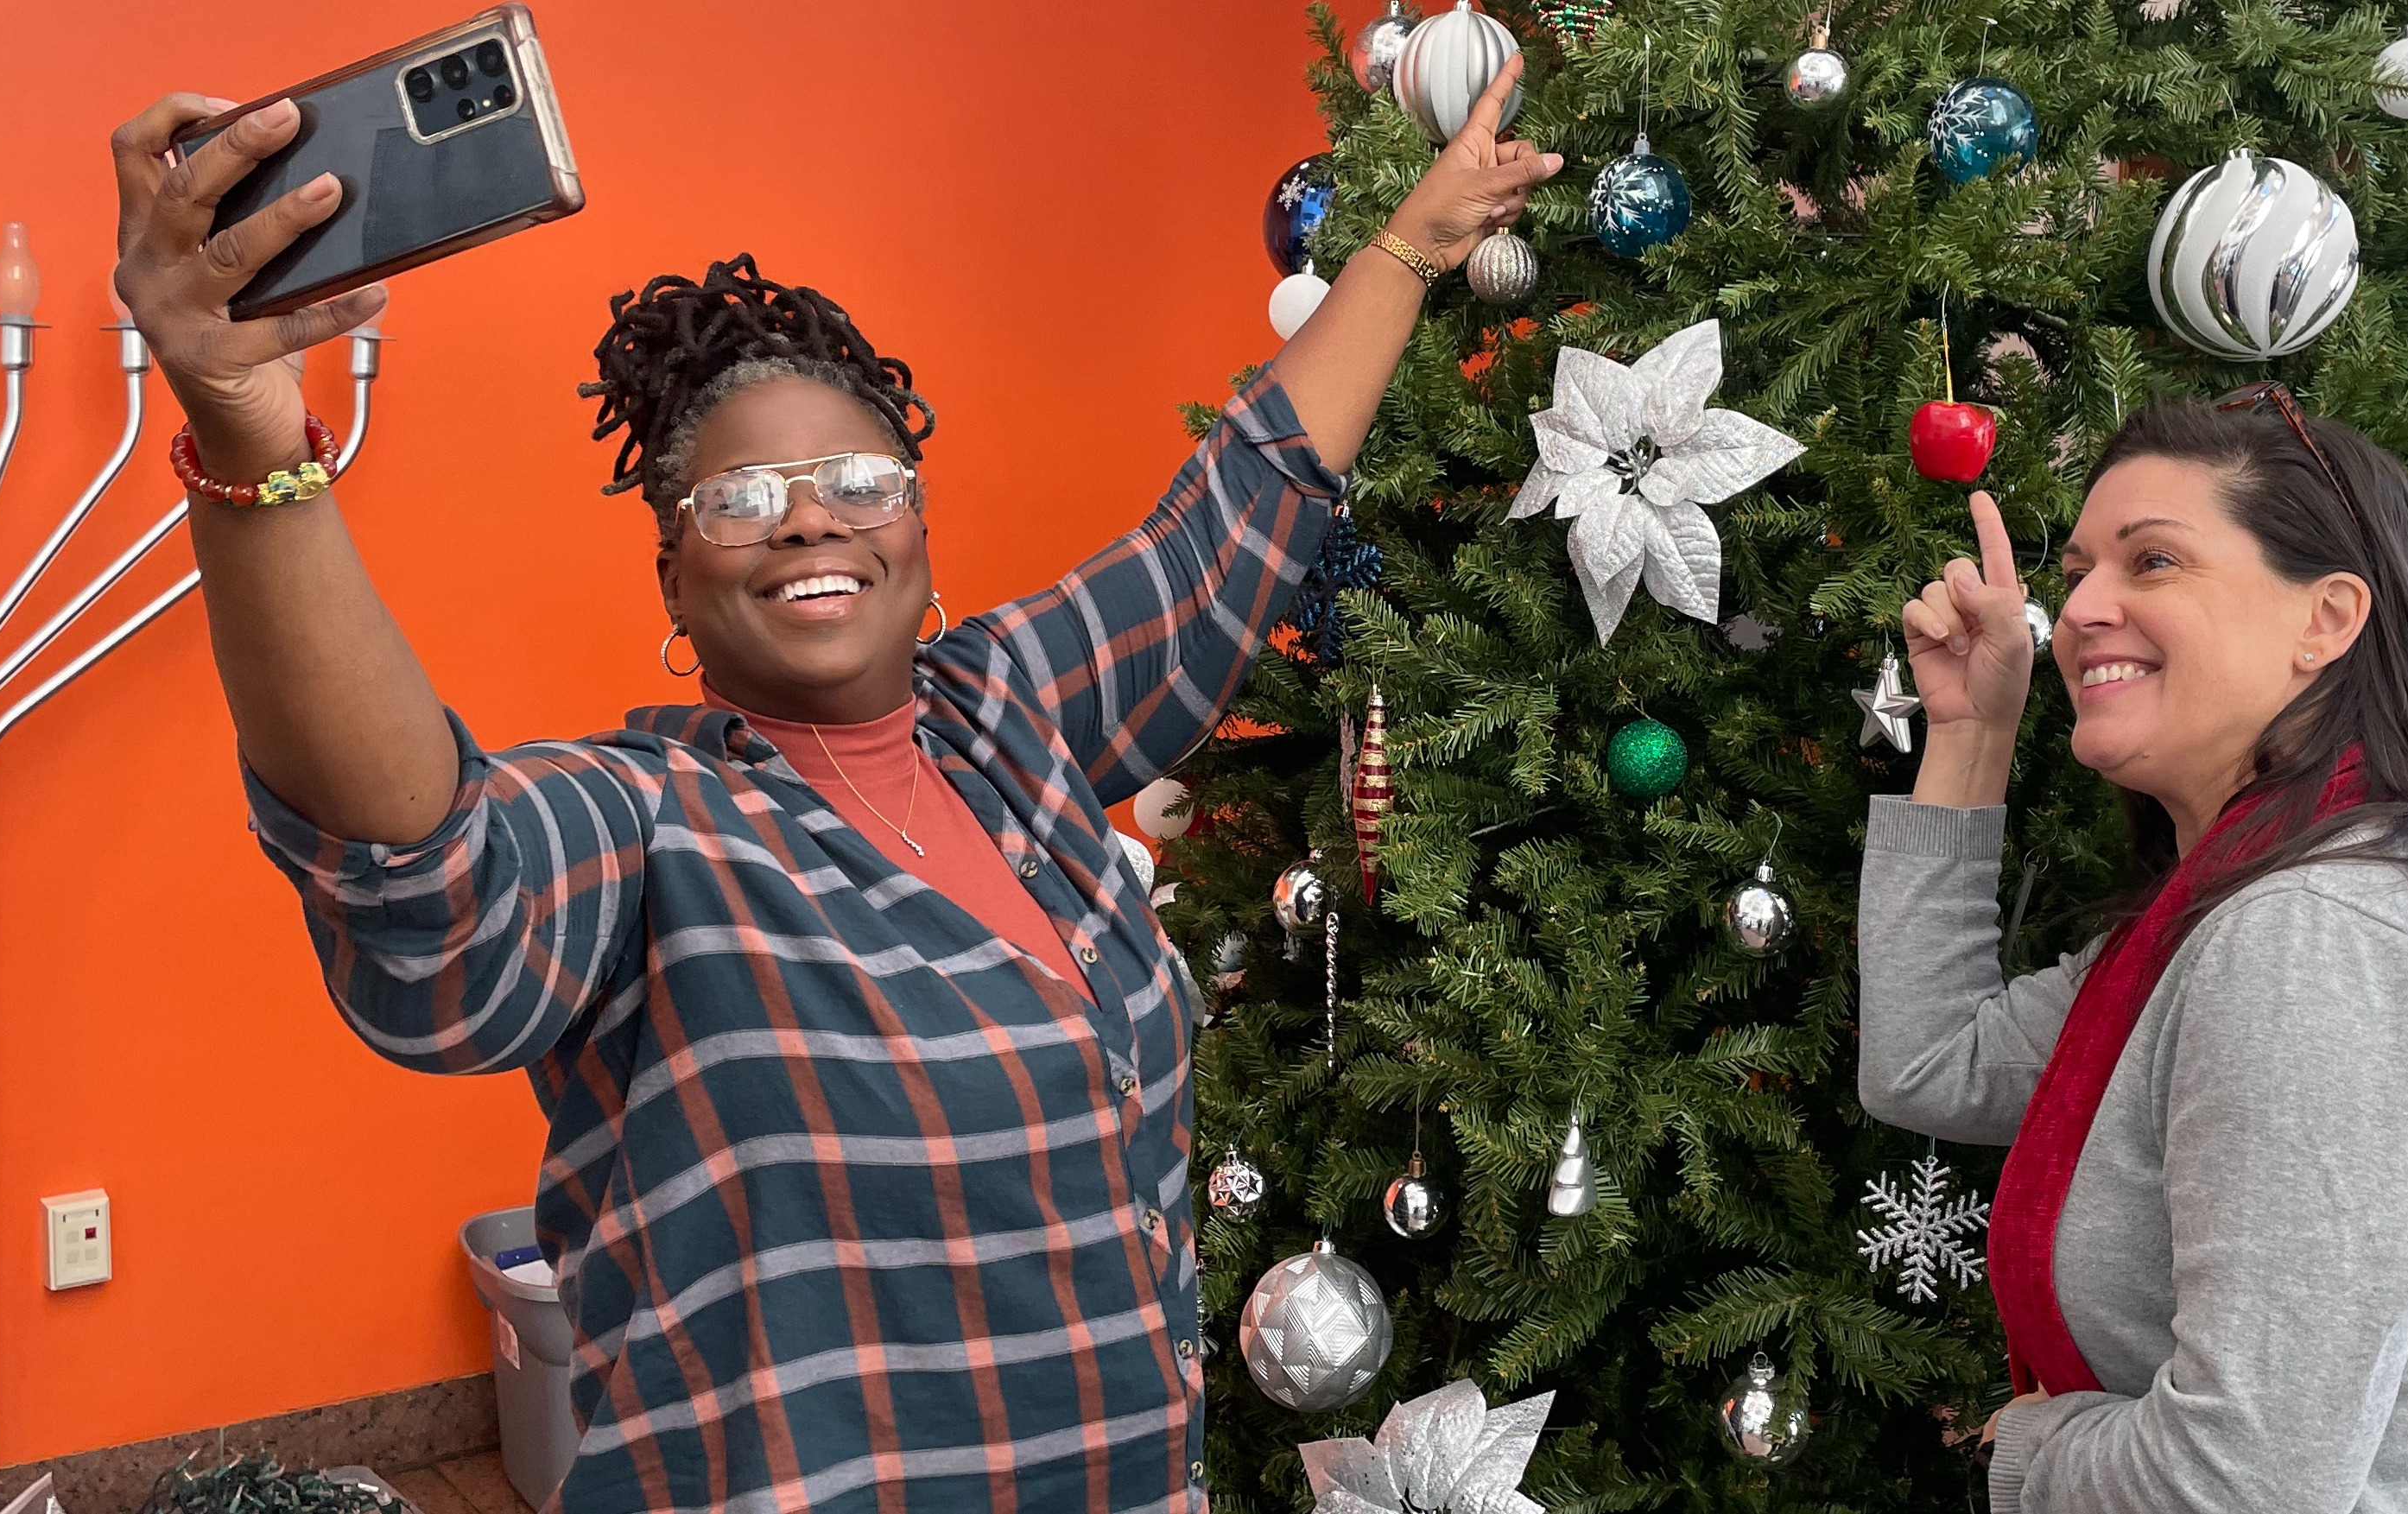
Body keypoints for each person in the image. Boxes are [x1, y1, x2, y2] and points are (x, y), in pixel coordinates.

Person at [105, 66, 1557, 1514]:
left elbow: (1238, 507)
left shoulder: (1005, 717)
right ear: (674, 571)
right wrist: (249, 441)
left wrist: (1414, 244)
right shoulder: (649, 822)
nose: (807, 513)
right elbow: (419, 860)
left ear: (918, 528)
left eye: (857, 478)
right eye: (738, 498)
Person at [1857, 390, 2408, 1512]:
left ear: (2327, 619)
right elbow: (1928, 1061)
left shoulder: (2315, 940)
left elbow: (2238, 1482)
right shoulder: (2234, 905)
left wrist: (2028, 1449)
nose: (2080, 612)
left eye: (2152, 561)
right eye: (2076, 575)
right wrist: (1972, 734)